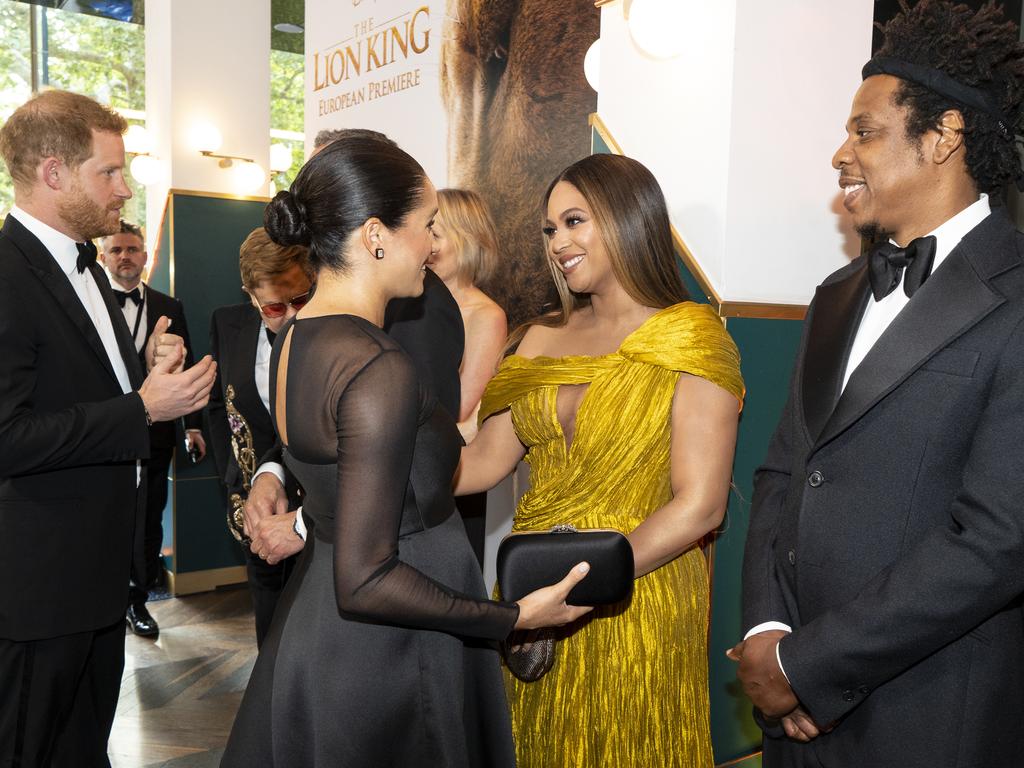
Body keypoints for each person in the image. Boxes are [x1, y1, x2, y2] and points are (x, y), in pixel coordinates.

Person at [222, 131, 592, 767]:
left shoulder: (297, 340)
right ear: (375, 236)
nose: (433, 244)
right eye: (426, 224)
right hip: (395, 646)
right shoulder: (375, 366)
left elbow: (346, 496)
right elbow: (367, 578)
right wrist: (511, 617)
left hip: (323, 623)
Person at [728, 2, 1024, 765]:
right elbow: (780, 474)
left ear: (943, 137)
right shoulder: (835, 294)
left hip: (928, 716)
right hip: (791, 722)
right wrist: (768, 637)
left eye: (864, 131)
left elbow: (995, 540)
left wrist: (810, 666)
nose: (839, 154)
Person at [455, 153, 745, 767]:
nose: (558, 242)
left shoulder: (690, 335)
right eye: (549, 229)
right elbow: (481, 463)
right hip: (534, 597)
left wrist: (585, 585)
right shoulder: (539, 337)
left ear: (625, 218)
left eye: (574, 221)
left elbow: (700, 505)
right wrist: (373, 454)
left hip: (639, 590)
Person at [0, 89, 216, 766]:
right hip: (37, 594)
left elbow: (84, 388)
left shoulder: (86, 267)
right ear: (54, 174)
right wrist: (142, 409)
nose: (125, 189)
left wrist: (145, 372)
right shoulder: (6, 275)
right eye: (110, 173)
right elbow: (7, 437)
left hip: (97, 580)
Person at [244, 128, 466, 570]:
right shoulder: (307, 322)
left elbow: (422, 462)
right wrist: (273, 471)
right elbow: (324, 430)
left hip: (398, 560)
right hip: (364, 569)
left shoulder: (421, 302)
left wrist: (306, 523)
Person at [99, 218, 208, 638]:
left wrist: (193, 426)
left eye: (132, 249)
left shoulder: (169, 306)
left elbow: (188, 363)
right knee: (109, 513)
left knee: (148, 517)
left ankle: (138, 600)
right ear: (105, 257)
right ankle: (106, 597)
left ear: (144, 256)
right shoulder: (92, 304)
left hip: (157, 432)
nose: (125, 256)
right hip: (106, 431)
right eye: (116, 250)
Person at [206, 228, 313, 647]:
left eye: (300, 299)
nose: (289, 315)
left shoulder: (329, 329)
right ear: (249, 294)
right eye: (272, 306)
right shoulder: (226, 323)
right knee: (268, 625)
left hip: (314, 513)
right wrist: (232, 479)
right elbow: (218, 407)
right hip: (253, 507)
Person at [429, 188, 507, 565]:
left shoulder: (485, 316)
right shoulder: (408, 306)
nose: (425, 244)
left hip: (456, 475)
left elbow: (460, 407)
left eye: (435, 233)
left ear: (467, 239)